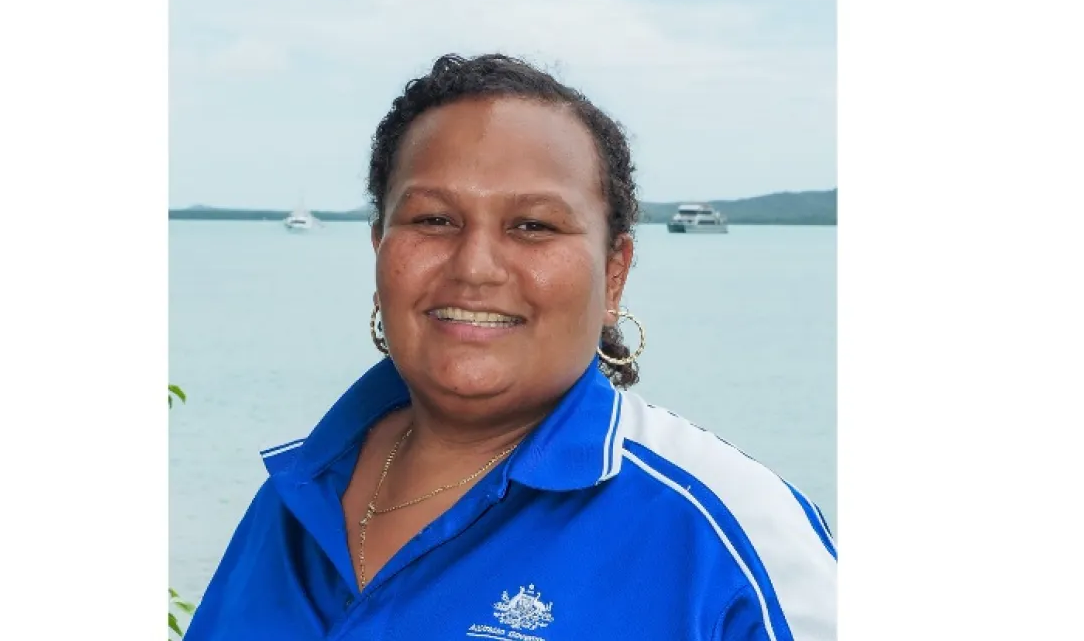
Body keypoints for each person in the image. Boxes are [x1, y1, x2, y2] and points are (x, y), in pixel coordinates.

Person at [184, 53, 836, 641]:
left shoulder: (723, 533)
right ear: (380, 246)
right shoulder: (297, 499)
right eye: (434, 219)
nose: (475, 267)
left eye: (532, 225)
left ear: (614, 273)